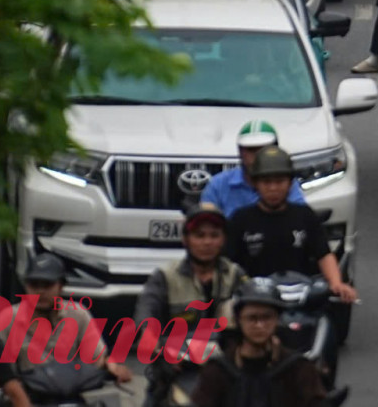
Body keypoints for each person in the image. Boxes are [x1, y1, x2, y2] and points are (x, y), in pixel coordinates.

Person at [225, 148, 357, 304]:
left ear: (290, 183)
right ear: (255, 184)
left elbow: (324, 254)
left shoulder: (304, 215)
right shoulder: (241, 219)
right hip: (255, 301)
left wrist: (336, 283)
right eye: (267, 182)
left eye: (279, 181)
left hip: (300, 299)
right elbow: (226, 264)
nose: (273, 188)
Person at [190, 281, 328, 407]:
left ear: (277, 320)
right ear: (238, 320)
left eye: (266, 317)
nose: (260, 325)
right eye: (252, 318)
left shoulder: (298, 368)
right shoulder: (218, 371)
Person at [137, 202, 248, 355]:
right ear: (185, 239)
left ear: (223, 240)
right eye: (199, 235)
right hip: (176, 357)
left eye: (214, 235)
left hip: (225, 360)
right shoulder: (165, 275)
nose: (207, 242)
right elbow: (147, 309)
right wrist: (148, 334)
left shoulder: (236, 274)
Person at [15, 252, 131, 397]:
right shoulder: (9, 319)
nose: (40, 291)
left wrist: (111, 366)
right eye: (34, 285)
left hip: (71, 393)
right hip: (27, 396)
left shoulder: (78, 314)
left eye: (47, 285)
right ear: (25, 286)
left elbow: (95, 360)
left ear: (61, 287)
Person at [203, 122, 309, 215]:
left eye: (263, 149)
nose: (257, 156)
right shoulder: (218, 185)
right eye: (251, 150)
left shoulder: (287, 185)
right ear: (240, 151)